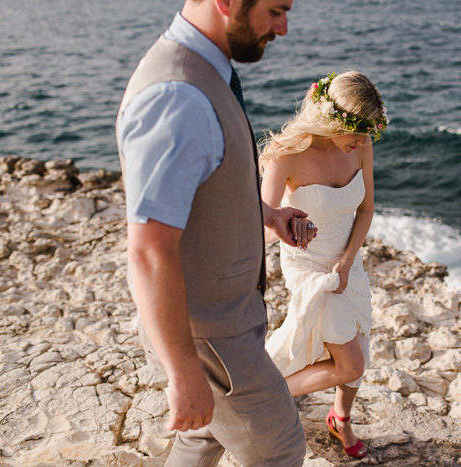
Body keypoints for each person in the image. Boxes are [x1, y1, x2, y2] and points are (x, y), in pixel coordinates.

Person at [115, 1, 315, 465]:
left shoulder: (206, 71)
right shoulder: (177, 95)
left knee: (202, 438)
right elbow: (147, 252)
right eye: (275, 10)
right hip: (210, 336)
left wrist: (267, 215)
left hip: (224, 322)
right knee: (279, 451)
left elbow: (208, 180)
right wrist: (184, 372)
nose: (283, 28)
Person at [260, 71, 388, 459]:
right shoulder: (287, 156)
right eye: (359, 131)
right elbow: (262, 225)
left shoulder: (360, 145)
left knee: (359, 338)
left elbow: (366, 209)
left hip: (349, 259)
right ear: (334, 119)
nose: (365, 141)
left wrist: (349, 261)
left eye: (372, 132)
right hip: (308, 266)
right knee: (351, 364)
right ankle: (265, 396)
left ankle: (340, 417)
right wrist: (285, 223)